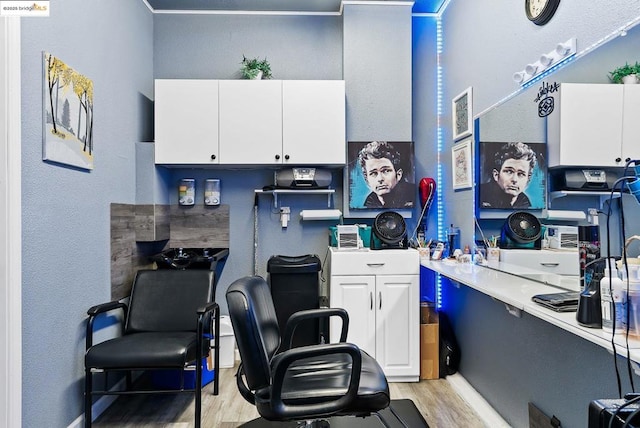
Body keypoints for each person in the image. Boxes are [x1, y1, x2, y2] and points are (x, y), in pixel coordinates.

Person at [357, 141, 415, 209]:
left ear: (399, 174)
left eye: (386, 171)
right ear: (367, 180)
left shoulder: (413, 196)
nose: (380, 179)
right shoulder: (369, 203)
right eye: (373, 173)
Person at [480, 142, 537, 209]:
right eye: (509, 171)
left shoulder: (525, 203)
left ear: (528, 179)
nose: (514, 179)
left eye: (521, 174)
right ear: (496, 175)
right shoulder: (480, 195)